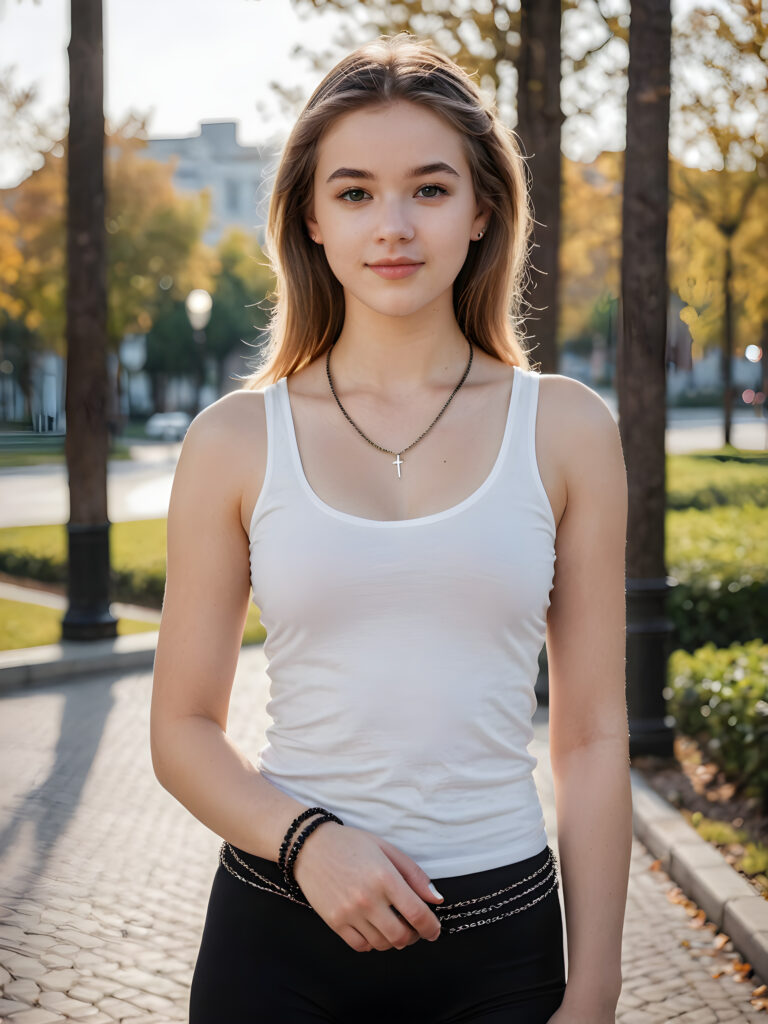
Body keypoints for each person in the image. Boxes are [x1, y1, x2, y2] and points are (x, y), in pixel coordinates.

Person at [150, 32, 632, 1024]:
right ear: (313, 219)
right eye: (356, 192)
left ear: (483, 206)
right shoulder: (235, 438)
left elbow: (589, 737)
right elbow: (181, 730)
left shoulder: (570, 428)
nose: (394, 226)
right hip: (278, 934)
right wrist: (307, 839)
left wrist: (597, 987)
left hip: (504, 939)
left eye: (430, 187)